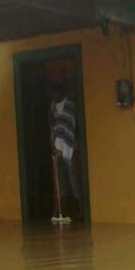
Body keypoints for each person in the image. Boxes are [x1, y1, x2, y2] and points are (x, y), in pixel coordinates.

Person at [49, 81, 80, 220]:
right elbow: (53, 126)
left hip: (70, 146)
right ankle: (63, 210)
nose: (55, 95)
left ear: (62, 92)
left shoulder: (70, 105)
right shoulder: (52, 107)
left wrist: (77, 141)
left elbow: (74, 124)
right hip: (57, 147)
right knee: (60, 181)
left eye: (57, 92)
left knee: (74, 180)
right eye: (53, 93)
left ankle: (81, 209)